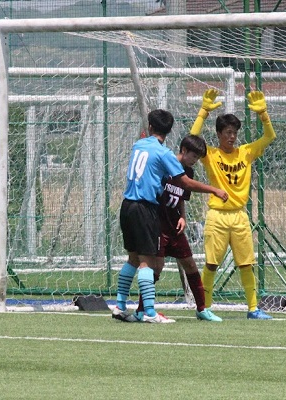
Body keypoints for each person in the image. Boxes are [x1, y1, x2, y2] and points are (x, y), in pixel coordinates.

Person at [113, 109, 228, 324]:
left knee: (133, 258)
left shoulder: (139, 145)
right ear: (169, 131)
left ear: (150, 126)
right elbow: (185, 182)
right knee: (147, 263)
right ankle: (149, 312)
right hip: (145, 208)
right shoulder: (164, 154)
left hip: (127, 205)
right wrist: (214, 190)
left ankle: (119, 306)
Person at [190, 89, 275, 320]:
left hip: (239, 216)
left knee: (246, 264)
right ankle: (204, 308)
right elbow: (192, 138)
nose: (232, 137)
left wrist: (263, 114)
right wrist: (204, 111)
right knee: (211, 264)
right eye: (228, 132)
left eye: (235, 133)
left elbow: (269, 137)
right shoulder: (211, 154)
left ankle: (253, 309)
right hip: (217, 215)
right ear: (219, 134)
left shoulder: (245, 152)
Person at [132, 135, 223, 322]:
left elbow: (181, 196)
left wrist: (183, 216)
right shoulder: (165, 165)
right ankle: (142, 310)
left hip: (174, 226)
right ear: (183, 150)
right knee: (156, 267)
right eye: (194, 156)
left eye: (198, 158)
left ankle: (202, 309)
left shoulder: (188, 172)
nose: (195, 161)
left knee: (190, 264)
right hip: (158, 225)